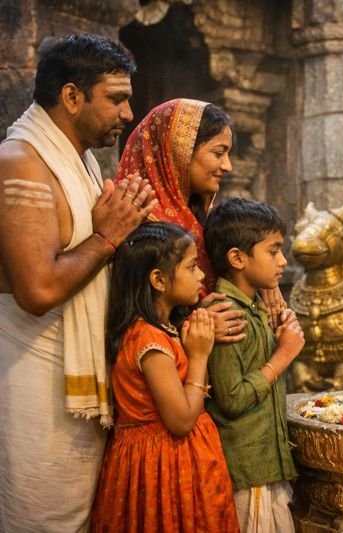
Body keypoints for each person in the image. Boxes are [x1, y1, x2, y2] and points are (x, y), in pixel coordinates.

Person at [0, 34, 156, 531]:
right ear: (71, 97)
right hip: (33, 390)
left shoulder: (80, 161)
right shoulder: (21, 163)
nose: (128, 113)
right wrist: (110, 234)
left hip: (73, 392)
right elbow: (38, 290)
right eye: (116, 98)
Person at [91, 222, 238, 532]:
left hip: (176, 459)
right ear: (158, 279)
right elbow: (181, 420)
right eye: (192, 266)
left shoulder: (162, 331)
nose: (201, 276)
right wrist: (198, 356)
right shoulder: (148, 340)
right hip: (162, 464)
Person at [115, 98, 285, 340]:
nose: (227, 166)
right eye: (218, 153)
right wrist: (194, 325)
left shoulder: (200, 215)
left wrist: (266, 281)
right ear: (178, 151)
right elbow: (137, 317)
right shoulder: (138, 222)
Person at [203, 197, 304, 533]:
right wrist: (283, 355)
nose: (282, 260)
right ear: (237, 258)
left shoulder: (255, 307)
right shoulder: (225, 315)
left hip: (266, 465)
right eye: (273, 251)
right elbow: (231, 398)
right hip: (247, 470)